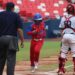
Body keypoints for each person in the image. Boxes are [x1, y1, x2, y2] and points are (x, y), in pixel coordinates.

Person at [0, 2, 24, 75]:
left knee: (1, 59)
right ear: (13, 8)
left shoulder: (0, 14)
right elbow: (19, 29)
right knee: (11, 60)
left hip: (1, 38)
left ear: (5, 7)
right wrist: (22, 40)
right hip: (12, 39)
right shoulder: (16, 15)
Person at [58, 4, 75, 75]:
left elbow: (61, 29)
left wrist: (63, 38)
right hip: (72, 36)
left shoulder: (63, 17)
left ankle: (61, 70)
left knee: (63, 53)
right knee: (74, 53)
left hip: (64, 36)